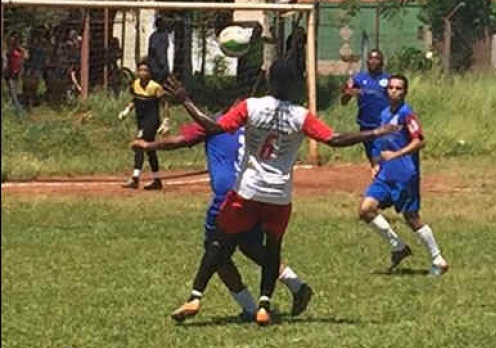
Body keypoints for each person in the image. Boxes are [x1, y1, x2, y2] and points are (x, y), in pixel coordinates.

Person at [163, 59, 397, 326]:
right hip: (279, 196)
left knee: (219, 242)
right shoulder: (300, 115)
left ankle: (196, 296)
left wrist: (185, 100)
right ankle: (264, 305)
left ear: (269, 81)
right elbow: (334, 139)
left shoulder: (251, 107)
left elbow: (214, 127)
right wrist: (376, 131)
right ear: (295, 84)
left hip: (247, 191)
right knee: (271, 248)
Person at [131, 109, 314, 321]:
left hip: (227, 201)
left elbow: (179, 141)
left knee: (216, 254)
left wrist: (147, 145)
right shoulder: (254, 124)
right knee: (252, 248)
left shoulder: (214, 123)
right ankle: (296, 286)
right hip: (251, 195)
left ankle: (243, 306)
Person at [358, 74, 449, 276]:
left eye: (399, 88)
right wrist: (377, 163)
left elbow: (420, 141)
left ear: (405, 92)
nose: (394, 91)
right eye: (391, 87)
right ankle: (398, 247)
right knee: (366, 209)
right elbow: (381, 142)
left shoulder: (407, 114)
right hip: (385, 174)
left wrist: (396, 155)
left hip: (405, 175)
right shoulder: (383, 114)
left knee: (411, 218)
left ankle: (438, 259)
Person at [119, 59, 170, 190]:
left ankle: (135, 178)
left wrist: (166, 121)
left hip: (152, 121)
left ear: (150, 73)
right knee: (150, 149)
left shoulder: (155, 87)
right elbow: (134, 100)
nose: (142, 73)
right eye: (140, 70)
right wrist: (126, 110)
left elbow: (164, 103)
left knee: (139, 144)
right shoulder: (135, 84)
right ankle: (157, 180)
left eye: (145, 70)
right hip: (140, 120)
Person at [341, 48, 390, 170]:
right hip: (365, 124)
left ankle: (380, 180)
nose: (373, 61)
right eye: (371, 58)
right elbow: (344, 101)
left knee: (379, 156)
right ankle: (378, 175)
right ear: (366, 61)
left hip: (383, 124)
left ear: (382, 62)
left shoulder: (388, 80)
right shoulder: (358, 79)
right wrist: (348, 93)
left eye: (377, 59)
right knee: (371, 154)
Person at [3, 31, 26, 112]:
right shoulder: (8, 51)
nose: (14, 40)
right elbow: (6, 62)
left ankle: (14, 106)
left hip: (18, 73)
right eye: (12, 39)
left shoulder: (21, 50)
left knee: (16, 90)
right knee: (12, 91)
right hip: (10, 73)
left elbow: (23, 59)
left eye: (16, 39)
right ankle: (19, 110)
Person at [148, 18, 171, 83]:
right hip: (156, 66)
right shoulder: (154, 36)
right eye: (161, 24)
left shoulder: (165, 35)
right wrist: (160, 61)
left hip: (164, 67)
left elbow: (165, 49)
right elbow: (154, 50)